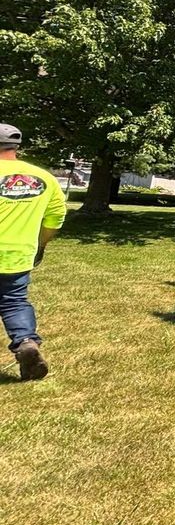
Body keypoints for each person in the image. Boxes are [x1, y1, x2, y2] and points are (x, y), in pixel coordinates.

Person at [0, 124, 66, 380]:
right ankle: (26, 341)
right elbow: (55, 217)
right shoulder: (44, 178)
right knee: (14, 301)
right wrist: (41, 244)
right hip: (19, 255)